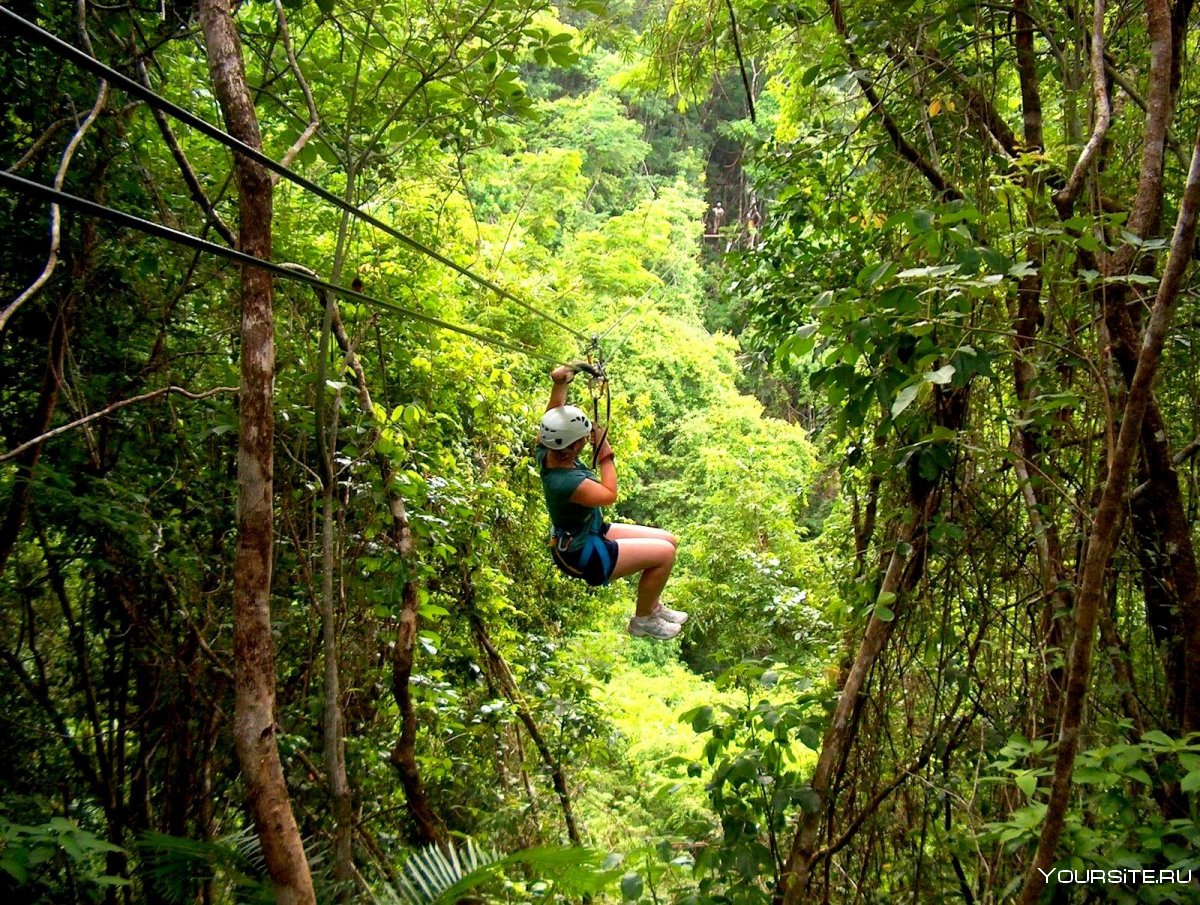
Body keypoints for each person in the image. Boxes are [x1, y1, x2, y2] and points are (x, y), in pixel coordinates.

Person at [537, 365, 687, 640]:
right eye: (583, 439)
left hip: (588, 532)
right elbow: (609, 493)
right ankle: (643, 620)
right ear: (573, 447)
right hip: (583, 554)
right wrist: (606, 454)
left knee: (669, 540)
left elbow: (553, 413)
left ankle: (653, 607)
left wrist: (559, 384)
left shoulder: (549, 448)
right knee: (665, 555)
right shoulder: (567, 482)